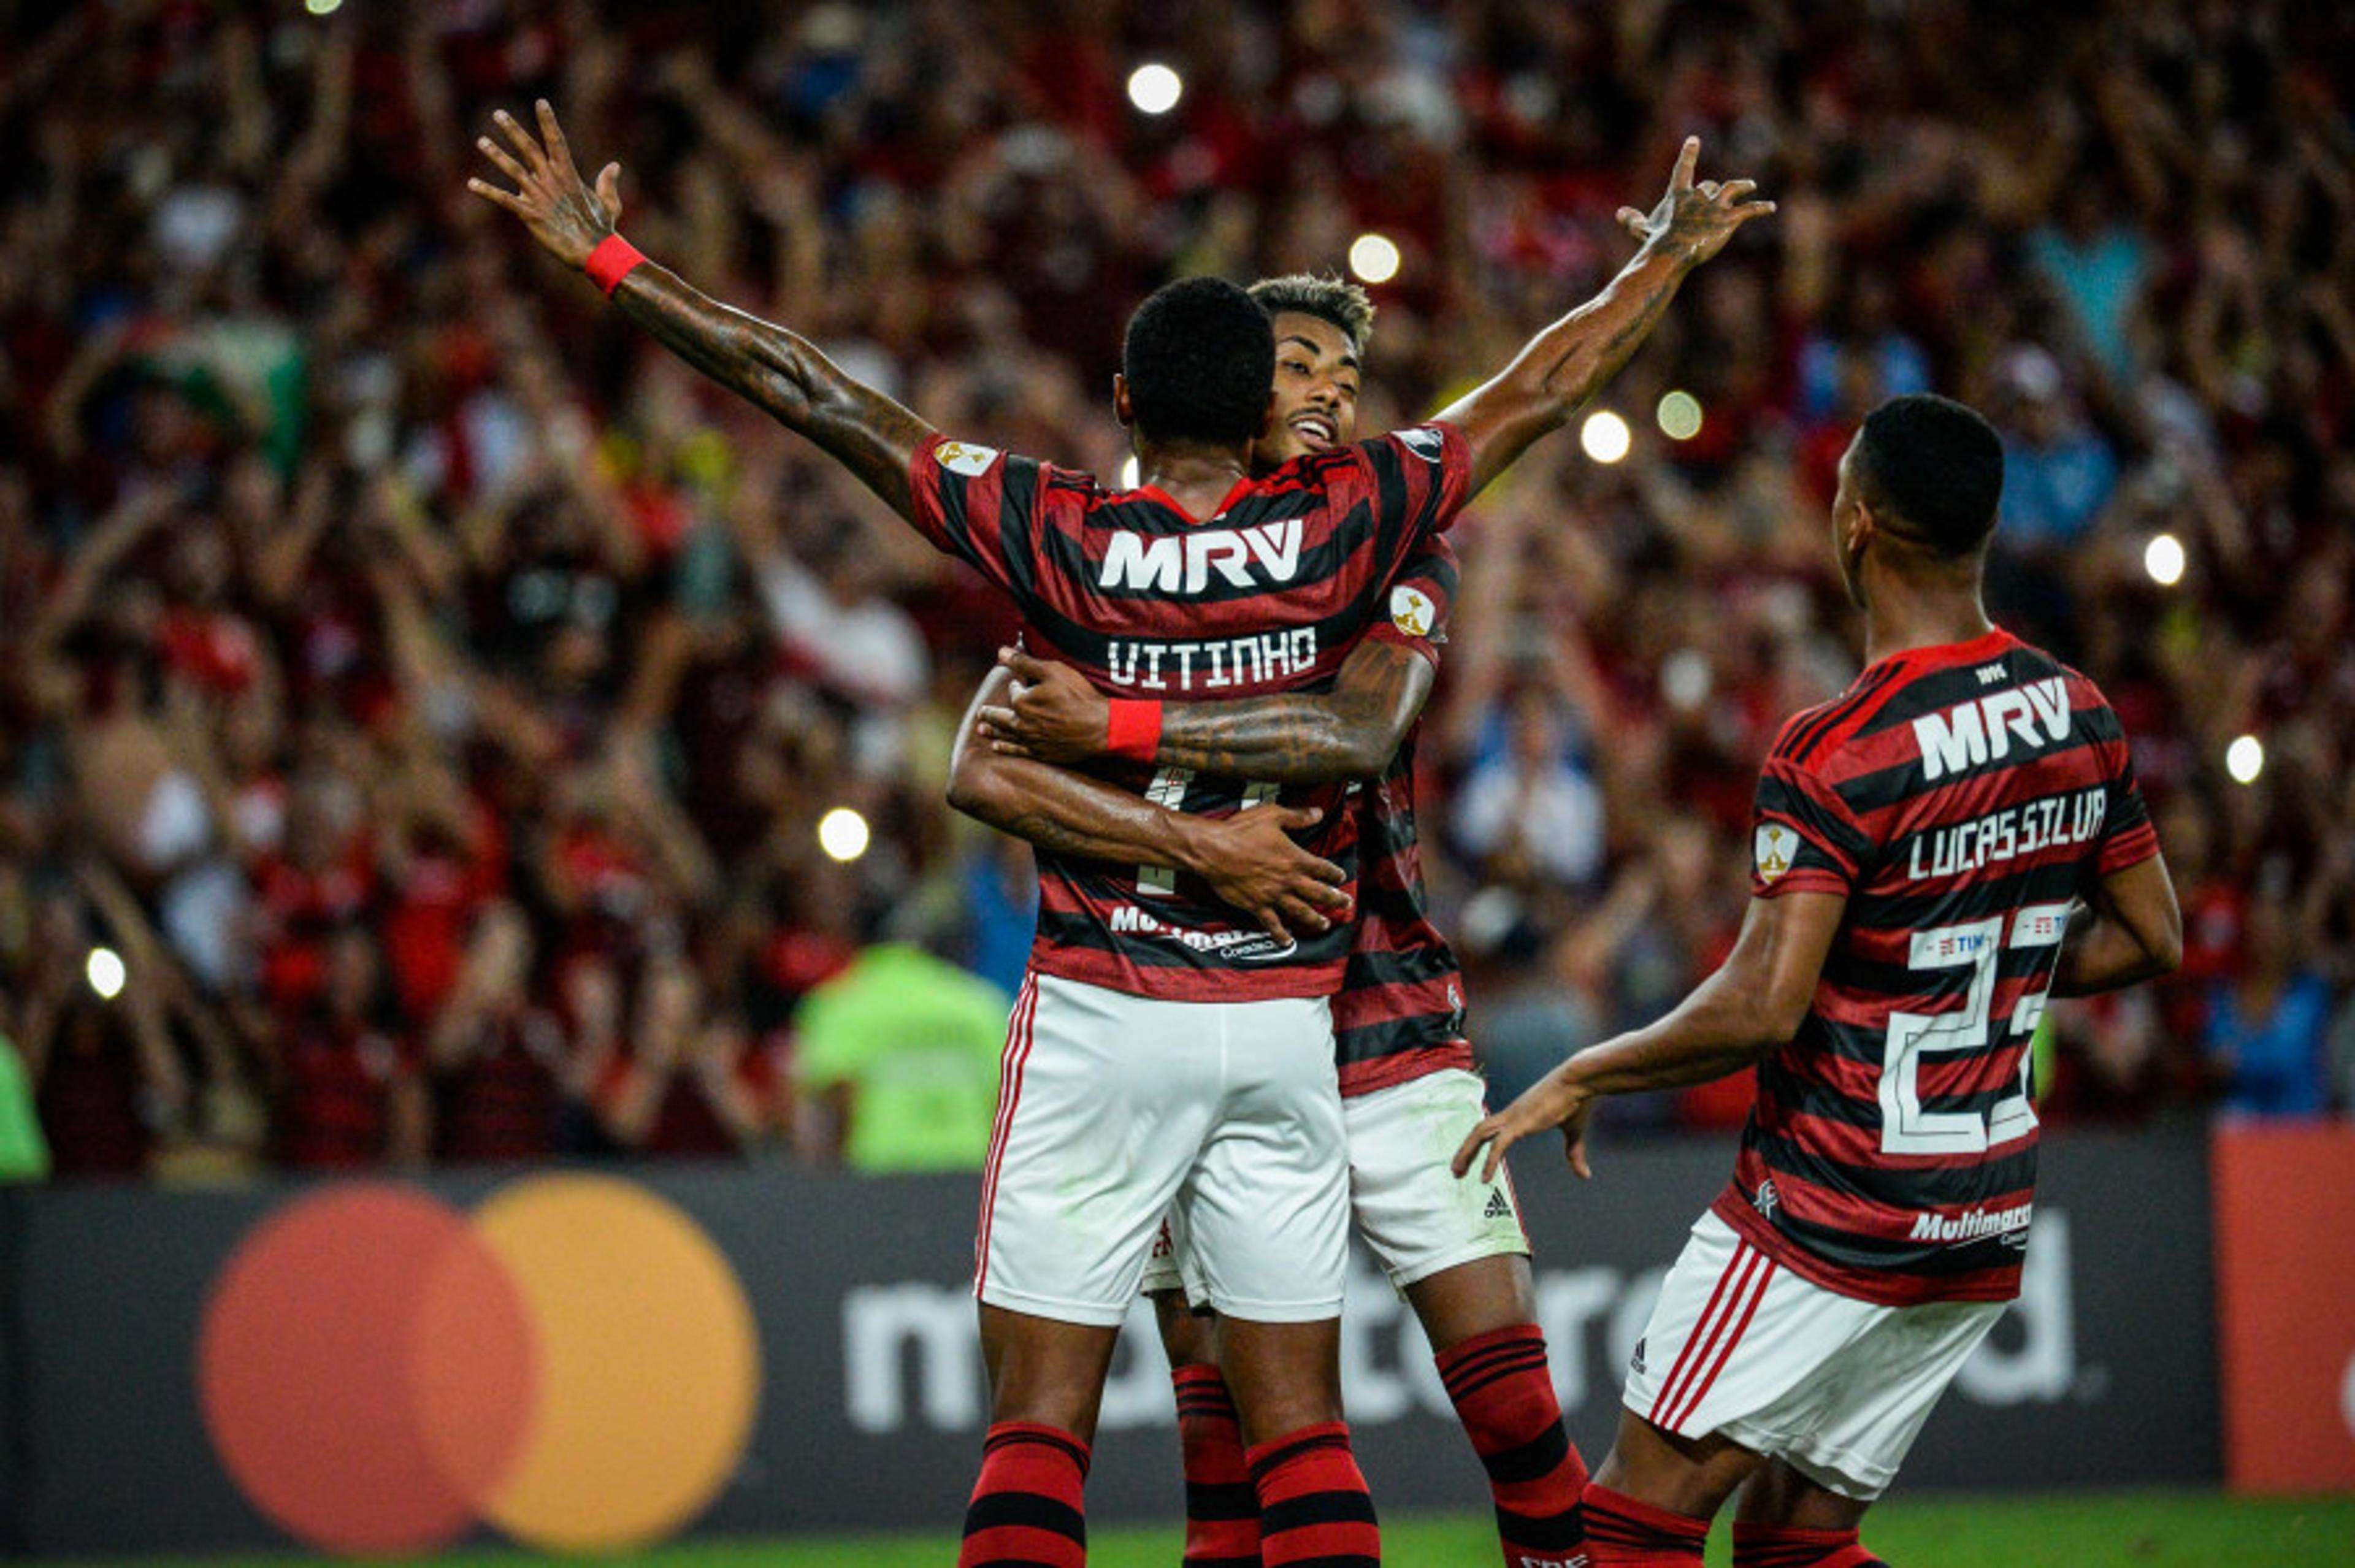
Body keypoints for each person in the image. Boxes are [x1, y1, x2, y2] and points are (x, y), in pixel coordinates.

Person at [472, 105, 1764, 1567]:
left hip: (1114, 1004)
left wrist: (613, 261)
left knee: (1042, 1426)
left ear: (1122, 400)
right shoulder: (1364, 519)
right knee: (1303, 1436)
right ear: (1254, 403)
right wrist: (1659, 267)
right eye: (1301, 371)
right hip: (1280, 1015)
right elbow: (1547, 381)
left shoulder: (1055, 533)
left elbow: (814, 391)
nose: (1330, 396)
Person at [1453, 394, 2182, 1568]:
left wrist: (1589, 1065)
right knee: (1795, 1544)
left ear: (1856, 525)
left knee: (1626, 1530)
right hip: (1982, 1207)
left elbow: (1763, 1004)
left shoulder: (1839, 746)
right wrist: (1971, 979)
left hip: (1829, 1211)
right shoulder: (2077, 713)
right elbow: (2152, 936)